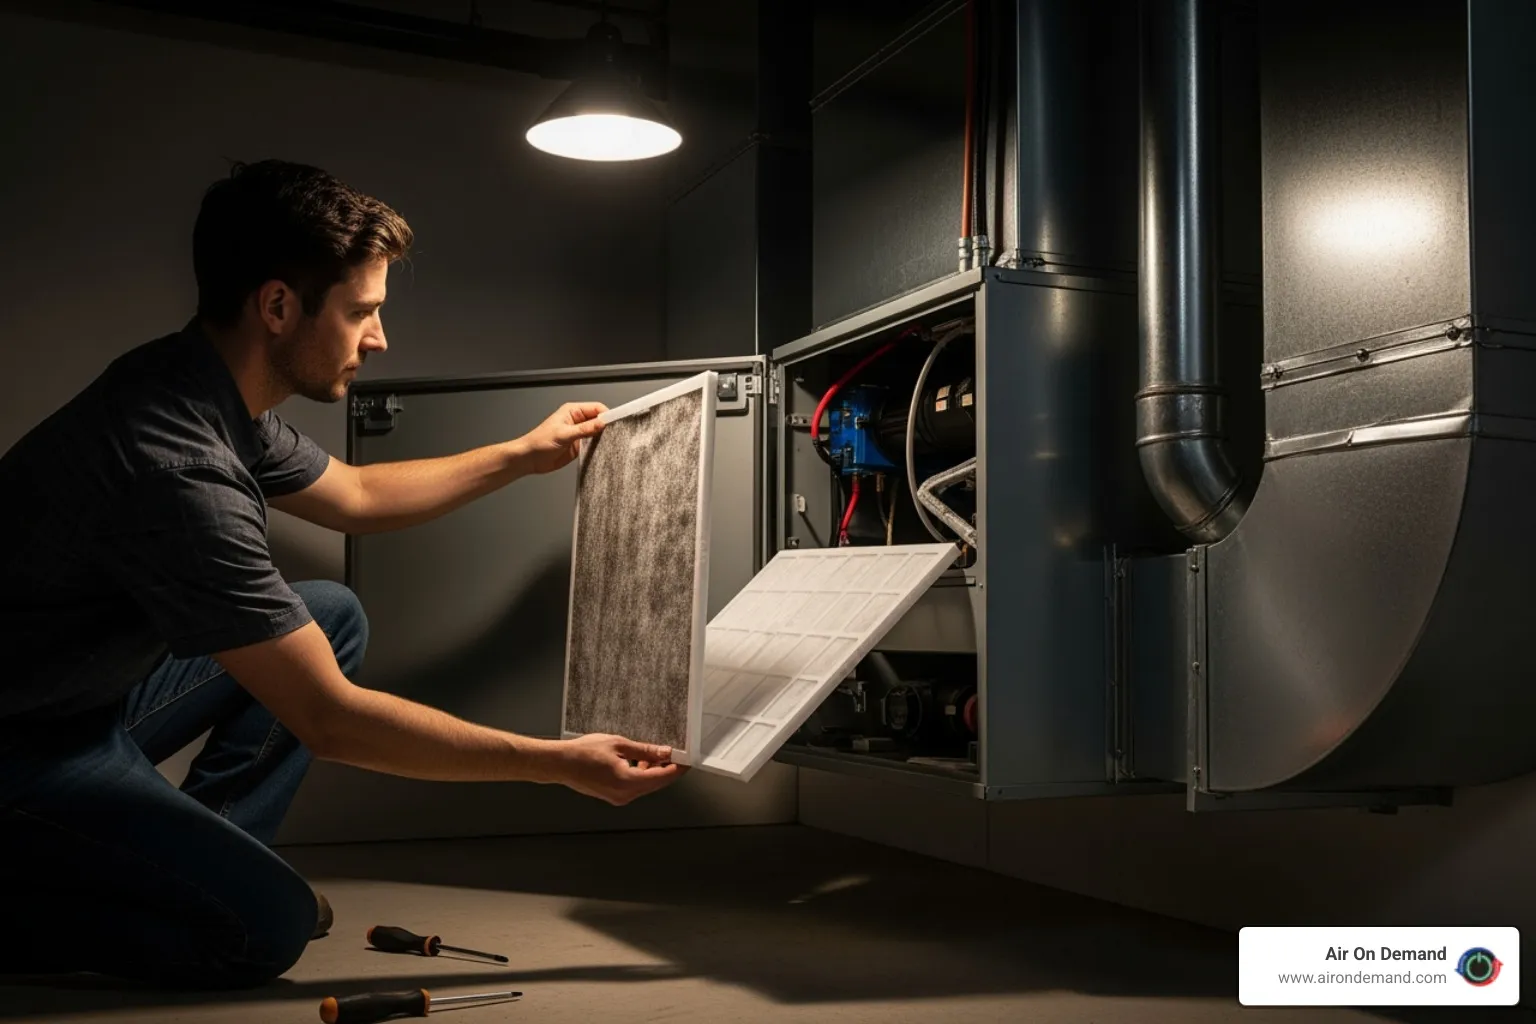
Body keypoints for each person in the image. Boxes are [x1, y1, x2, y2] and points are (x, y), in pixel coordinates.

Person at [0, 160, 684, 990]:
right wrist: (560, 762)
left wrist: (520, 456)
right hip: (21, 753)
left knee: (328, 612)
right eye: (363, 312)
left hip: (76, 707)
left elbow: (356, 494)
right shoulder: (175, 465)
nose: (379, 337)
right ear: (279, 306)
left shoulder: (202, 386)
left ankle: (200, 862)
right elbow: (330, 720)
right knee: (268, 929)